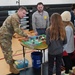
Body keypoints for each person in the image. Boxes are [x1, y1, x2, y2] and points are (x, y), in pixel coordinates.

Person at [0, 6, 29, 74]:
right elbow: (17, 29)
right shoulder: (15, 17)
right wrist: (26, 35)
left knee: (8, 49)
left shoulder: (15, 16)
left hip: (6, 34)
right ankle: (11, 67)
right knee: (8, 51)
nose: (24, 15)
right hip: (4, 36)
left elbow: (11, 27)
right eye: (23, 13)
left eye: (25, 14)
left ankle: (11, 60)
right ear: (19, 11)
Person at [61, 11, 74, 75]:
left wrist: (63, 49)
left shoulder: (67, 29)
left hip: (67, 49)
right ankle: (70, 70)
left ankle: (67, 72)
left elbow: (67, 41)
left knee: (66, 61)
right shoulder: (70, 25)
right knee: (69, 60)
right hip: (70, 48)